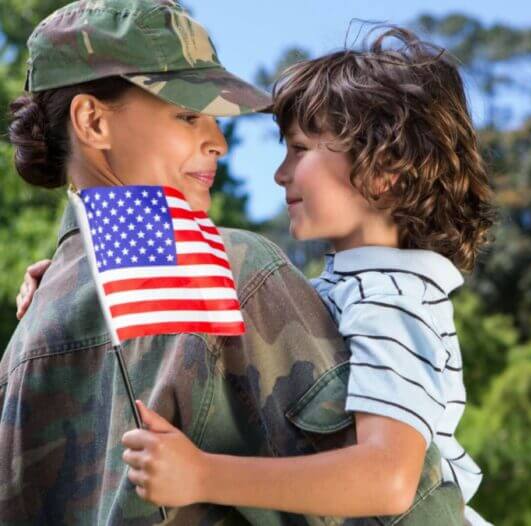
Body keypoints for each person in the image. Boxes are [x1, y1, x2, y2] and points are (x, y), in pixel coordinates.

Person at [1, 2, 463, 525]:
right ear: (92, 121)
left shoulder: (28, 338)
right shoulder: (233, 270)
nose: (218, 142)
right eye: (187, 113)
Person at [117, 27, 496, 525]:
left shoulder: (393, 302)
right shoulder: (356, 289)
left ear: (384, 169)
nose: (280, 173)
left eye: (300, 149)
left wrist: (204, 475)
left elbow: (390, 478)